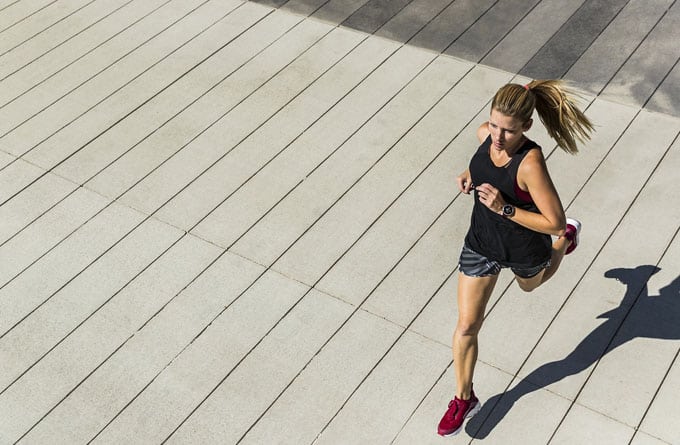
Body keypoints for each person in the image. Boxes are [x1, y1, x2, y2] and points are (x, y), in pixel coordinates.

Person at [437, 80, 594, 437]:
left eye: (508, 130)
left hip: (525, 246)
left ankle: (569, 242)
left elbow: (552, 221)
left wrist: (504, 207)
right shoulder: (485, 135)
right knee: (466, 326)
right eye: (494, 125)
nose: (497, 136)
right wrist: (469, 173)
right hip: (481, 243)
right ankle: (464, 397)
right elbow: (482, 159)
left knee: (531, 286)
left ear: (526, 127)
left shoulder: (530, 163)